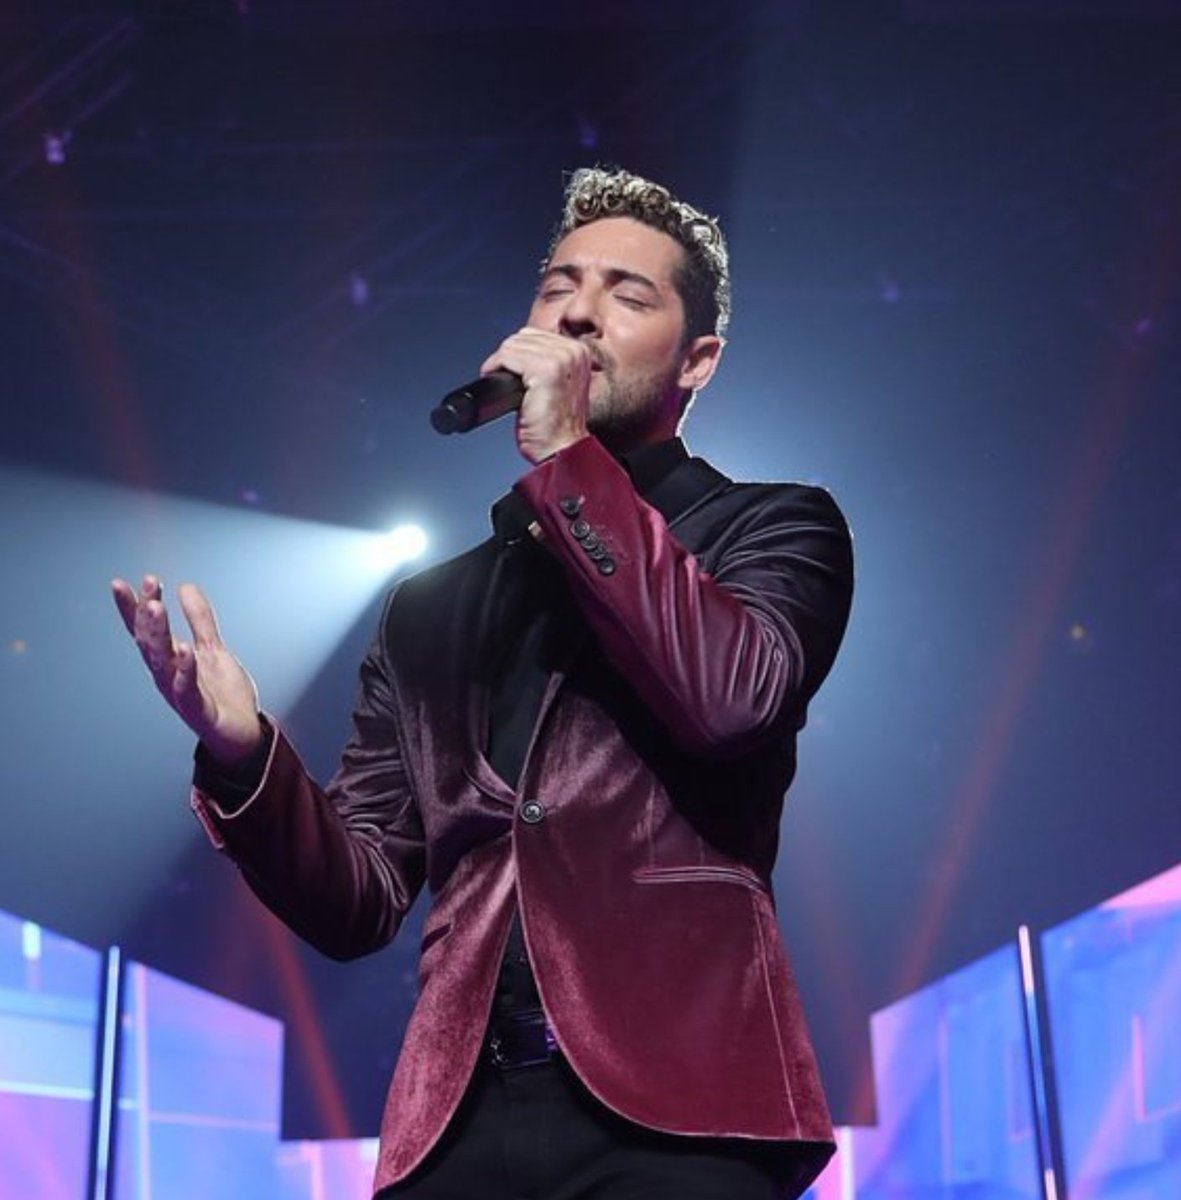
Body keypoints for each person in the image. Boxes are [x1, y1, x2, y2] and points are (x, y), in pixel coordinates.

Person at [112, 167, 854, 1200]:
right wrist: (246, 761)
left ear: (698, 360)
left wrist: (566, 458)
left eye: (627, 295)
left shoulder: (771, 527)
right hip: (457, 1123)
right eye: (558, 286)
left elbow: (729, 699)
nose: (579, 313)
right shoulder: (428, 607)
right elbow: (361, 898)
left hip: (680, 1118)